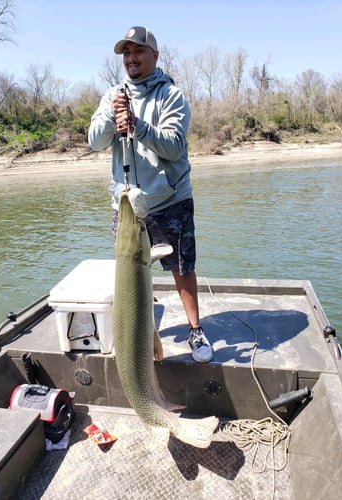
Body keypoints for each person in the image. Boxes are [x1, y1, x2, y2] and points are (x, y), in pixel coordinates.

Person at [88, 26, 212, 363]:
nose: (131, 58)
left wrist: (139, 125)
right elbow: (94, 142)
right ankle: (138, 334)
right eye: (126, 53)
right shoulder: (111, 96)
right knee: (131, 273)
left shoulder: (171, 96)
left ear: (155, 56)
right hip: (128, 205)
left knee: (181, 267)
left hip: (170, 199)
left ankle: (196, 329)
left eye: (138, 51)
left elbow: (173, 148)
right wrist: (115, 117)